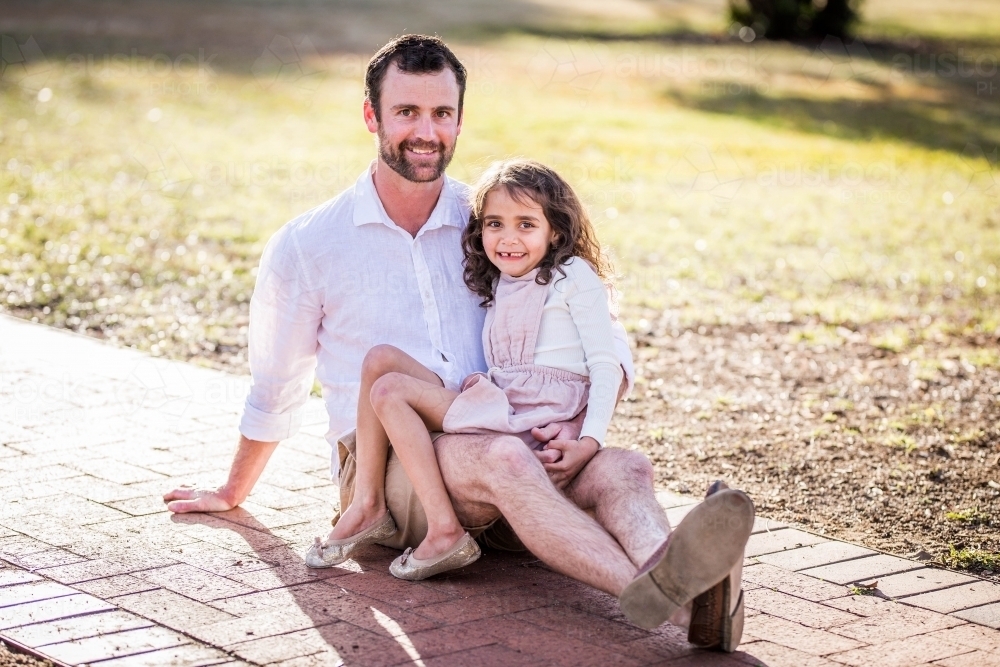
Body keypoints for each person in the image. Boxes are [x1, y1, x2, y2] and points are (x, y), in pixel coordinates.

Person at [163, 34, 754, 652]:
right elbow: (276, 385)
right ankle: (676, 609)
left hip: (510, 431)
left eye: (441, 114)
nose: (426, 131)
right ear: (372, 116)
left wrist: (580, 428)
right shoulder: (309, 244)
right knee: (499, 458)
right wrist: (233, 492)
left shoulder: (496, 221)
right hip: (394, 463)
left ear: (460, 121)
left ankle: (698, 590)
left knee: (623, 467)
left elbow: (602, 337)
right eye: (407, 112)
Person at [304, 159, 624, 581]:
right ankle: (367, 504)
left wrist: (588, 435)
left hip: (519, 418)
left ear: (556, 231)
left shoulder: (569, 277)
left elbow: (607, 359)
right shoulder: (505, 279)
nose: (508, 238)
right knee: (379, 359)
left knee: (388, 392)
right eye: (495, 224)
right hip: (498, 401)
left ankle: (443, 530)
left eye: (525, 224)